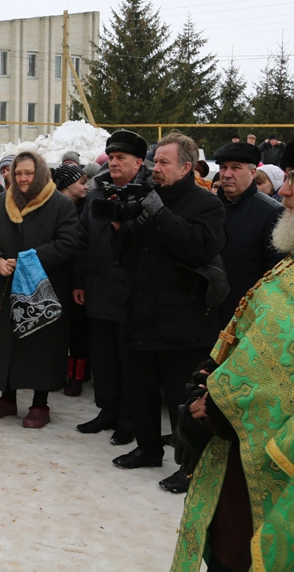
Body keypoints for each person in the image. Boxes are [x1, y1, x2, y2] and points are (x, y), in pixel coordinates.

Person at [169, 148, 294, 572]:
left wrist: (223, 405)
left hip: (276, 470)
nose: (287, 192)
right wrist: (213, 374)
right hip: (238, 452)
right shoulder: (289, 265)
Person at [109, 132, 226, 495]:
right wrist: (120, 226)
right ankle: (148, 447)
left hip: (183, 321)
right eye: (154, 161)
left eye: (163, 163)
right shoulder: (146, 197)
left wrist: (159, 213)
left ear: (186, 168)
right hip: (141, 314)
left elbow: (198, 248)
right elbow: (123, 255)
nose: (154, 168)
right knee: (141, 389)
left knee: (183, 397)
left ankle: (190, 466)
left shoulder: (205, 204)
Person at [0, 150, 79, 429]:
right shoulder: (0, 203)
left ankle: (40, 402)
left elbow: (68, 242)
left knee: (40, 345)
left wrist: (30, 259)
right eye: (18, 173)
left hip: (41, 288)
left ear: (40, 174)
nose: (22, 178)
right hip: (5, 285)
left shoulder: (60, 205)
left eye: (28, 173)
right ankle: (6, 398)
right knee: (6, 343)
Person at [74, 130, 148, 444]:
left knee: (128, 360)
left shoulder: (149, 194)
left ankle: (129, 418)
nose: (114, 164)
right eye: (112, 158)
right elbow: (82, 239)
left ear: (139, 162)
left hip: (132, 294)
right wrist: (79, 280)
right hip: (98, 288)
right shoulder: (96, 193)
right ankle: (107, 410)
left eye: (121, 158)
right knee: (102, 357)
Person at [212, 143, 284, 330]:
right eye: (223, 168)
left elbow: (275, 278)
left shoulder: (272, 213)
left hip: (245, 322)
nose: (227, 174)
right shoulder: (206, 207)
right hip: (204, 319)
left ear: (252, 173)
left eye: (235, 168)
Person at [52, 163, 89, 397]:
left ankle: (77, 376)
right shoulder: (53, 210)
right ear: (66, 186)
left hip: (78, 280)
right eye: (81, 182)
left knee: (78, 331)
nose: (86, 186)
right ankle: (57, 372)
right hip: (57, 277)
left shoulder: (87, 209)